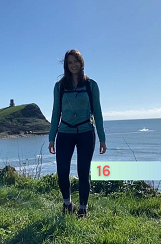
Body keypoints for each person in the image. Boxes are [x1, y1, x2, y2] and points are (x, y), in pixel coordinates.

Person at [48, 49, 107, 217]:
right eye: (70, 62)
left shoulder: (91, 85)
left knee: (83, 172)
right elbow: (55, 113)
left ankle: (83, 208)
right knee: (63, 172)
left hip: (86, 133)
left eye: (76, 61)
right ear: (66, 65)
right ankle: (67, 204)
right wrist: (51, 137)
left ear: (82, 63)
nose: (73, 65)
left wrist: (102, 138)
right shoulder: (59, 86)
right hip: (64, 133)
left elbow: (98, 112)